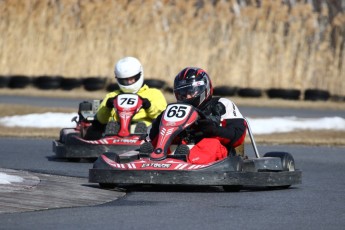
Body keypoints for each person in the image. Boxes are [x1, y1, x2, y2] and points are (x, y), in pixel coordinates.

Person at [148, 67, 247, 164]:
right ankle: (148, 158)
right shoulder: (177, 109)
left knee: (212, 143)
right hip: (182, 148)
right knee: (160, 142)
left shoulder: (221, 104)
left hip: (218, 156)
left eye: (190, 92)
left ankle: (185, 161)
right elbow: (153, 134)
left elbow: (238, 135)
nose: (186, 96)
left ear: (203, 88)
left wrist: (213, 130)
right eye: (182, 93)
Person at [84, 56, 167, 140]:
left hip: (145, 130)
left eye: (132, 79)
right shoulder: (112, 95)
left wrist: (149, 106)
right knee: (109, 126)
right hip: (116, 129)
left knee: (141, 126)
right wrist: (107, 106)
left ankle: (140, 140)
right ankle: (110, 141)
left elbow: (162, 118)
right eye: (125, 80)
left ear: (139, 75)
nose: (129, 82)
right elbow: (101, 120)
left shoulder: (154, 93)